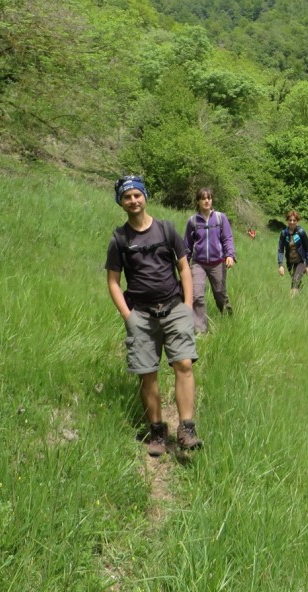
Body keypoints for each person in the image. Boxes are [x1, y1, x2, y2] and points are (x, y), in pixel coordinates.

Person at [105, 175, 203, 456]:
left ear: (145, 197)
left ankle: (187, 429)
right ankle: (157, 431)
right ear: (121, 202)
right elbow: (113, 281)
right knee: (147, 374)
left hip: (173, 308)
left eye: (137, 195)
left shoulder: (166, 229)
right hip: (141, 315)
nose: (133, 200)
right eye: (127, 197)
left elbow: (184, 268)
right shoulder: (119, 239)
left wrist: (187, 305)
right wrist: (128, 316)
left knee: (183, 363)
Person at [184, 187, 236, 334]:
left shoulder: (220, 218)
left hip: (218, 262)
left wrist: (230, 255)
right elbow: (187, 244)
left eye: (209, 198)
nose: (207, 201)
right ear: (198, 201)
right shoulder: (192, 221)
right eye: (203, 198)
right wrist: (184, 264)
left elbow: (227, 238)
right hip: (199, 263)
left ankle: (228, 319)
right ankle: (201, 331)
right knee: (197, 295)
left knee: (220, 293)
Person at [276, 210, 308, 296]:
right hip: (290, 262)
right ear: (287, 221)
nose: (292, 222)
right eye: (290, 220)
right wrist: (280, 265)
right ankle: (301, 296)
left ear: (297, 221)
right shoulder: (284, 233)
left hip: (301, 262)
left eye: (294, 220)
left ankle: (291, 300)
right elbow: (280, 250)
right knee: (295, 280)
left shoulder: (301, 232)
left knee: (295, 281)